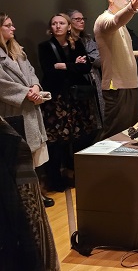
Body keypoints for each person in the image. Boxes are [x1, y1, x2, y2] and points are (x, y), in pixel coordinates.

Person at [38, 13, 95, 192]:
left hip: (76, 99)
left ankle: (77, 174)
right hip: (57, 100)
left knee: (79, 138)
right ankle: (55, 179)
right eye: (54, 23)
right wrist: (73, 65)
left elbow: (86, 67)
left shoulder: (76, 44)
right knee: (56, 141)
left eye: (61, 23)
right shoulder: (45, 46)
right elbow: (49, 71)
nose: (57, 26)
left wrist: (64, 65)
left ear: (69, 26)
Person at [0, 13, 52, 206]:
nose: (13, 28)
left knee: (33, 153)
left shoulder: (17, 50)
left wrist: (35, 87)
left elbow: (31, 72)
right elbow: (2, 84)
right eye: (8, 25)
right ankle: (24, 198)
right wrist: (25, 93)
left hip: (30, 108)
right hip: (13, 110)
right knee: (19, 156)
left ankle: (35, 194)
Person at [94, 0, 138, 140]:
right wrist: (132, 7)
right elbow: (115, 21)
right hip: (116, 86)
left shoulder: (122, 25)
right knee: (115, 133)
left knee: (127, 132)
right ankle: (98, 156)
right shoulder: (104, 20)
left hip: (128, 85)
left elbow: (120, 52)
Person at [67, 9, 103, 127]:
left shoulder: (87, 39)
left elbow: (98, 58)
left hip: (93, 77)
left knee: (98, 110)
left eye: (83, 19)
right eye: (77, 19)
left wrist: (89, 59)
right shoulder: (67, 41)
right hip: (78, 80)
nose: (82, 21)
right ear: (69, 22)